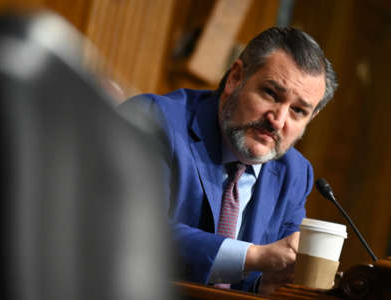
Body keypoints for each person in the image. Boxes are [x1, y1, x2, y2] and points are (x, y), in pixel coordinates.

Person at [117, 26, 338, 294]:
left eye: (298, 111)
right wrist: (252, 257)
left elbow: (269, 272)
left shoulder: (295, 173)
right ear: (236, 78)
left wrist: (265, 283)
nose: (278, 121)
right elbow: (128, 228)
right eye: (270, 93)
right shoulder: (154, 120)